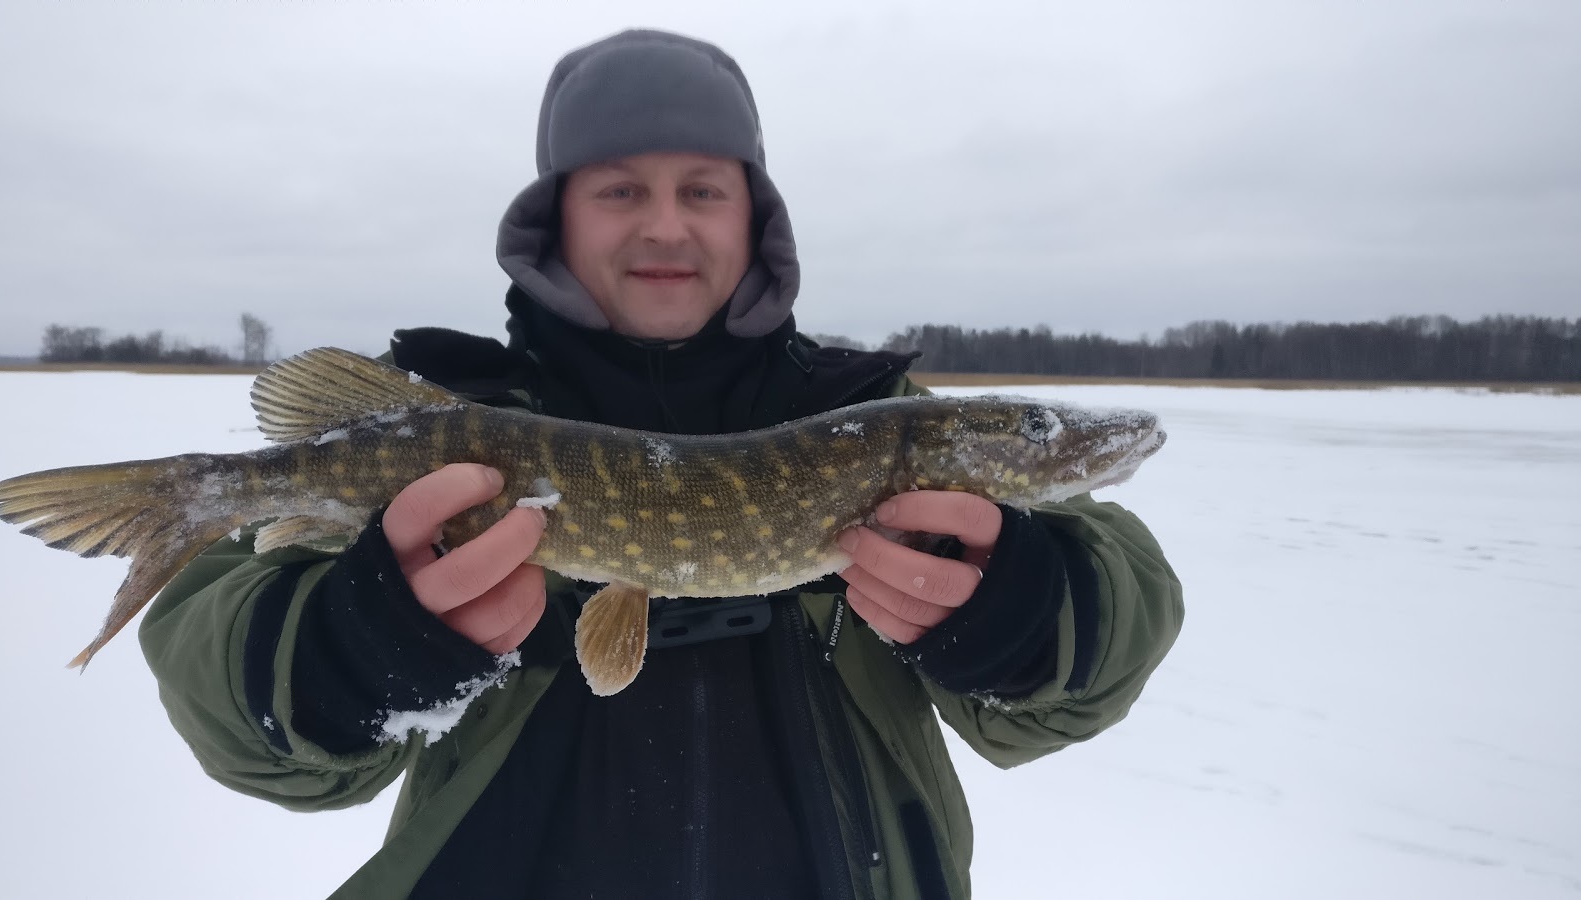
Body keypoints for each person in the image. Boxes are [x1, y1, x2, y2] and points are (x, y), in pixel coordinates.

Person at [139, 28, 1183, 900]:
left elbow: (1107, 627)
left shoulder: (871, 421)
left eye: (703, 188)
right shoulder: (454, 411)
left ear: (754, 215)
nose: (666, 224)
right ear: (556, 217)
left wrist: (1026, 610)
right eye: (620, 189)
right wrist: (345, 651)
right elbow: (225, 677)